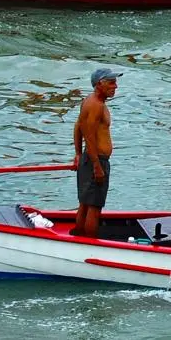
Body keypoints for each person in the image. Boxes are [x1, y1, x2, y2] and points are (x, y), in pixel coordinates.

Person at [72, 67, 120, 238]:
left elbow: (78, 127)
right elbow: (89, 137)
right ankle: (89, 244)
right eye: (111, 83)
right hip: (96, 160)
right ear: (100, 84)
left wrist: (78, 154)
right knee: (94, 207)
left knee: (85, 204)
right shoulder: (95, 105)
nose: (115, 86)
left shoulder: (90, 101)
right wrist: (97, 166)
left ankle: (79, 238)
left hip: (91, 159)